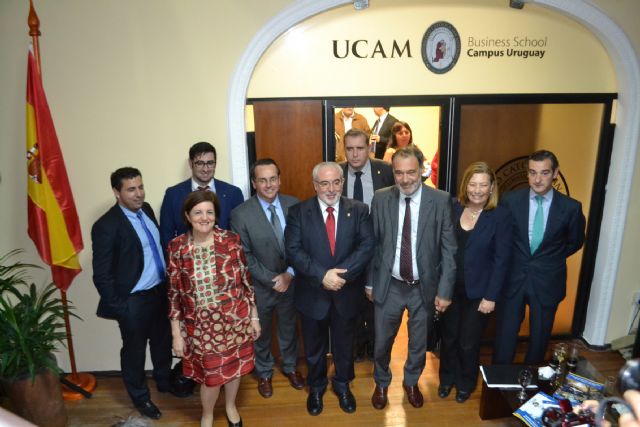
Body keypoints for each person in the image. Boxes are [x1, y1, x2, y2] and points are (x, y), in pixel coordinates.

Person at [368, 146, 457, 410]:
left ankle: (411, 382)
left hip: (424, 288)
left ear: (421, 170)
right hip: (390, 284)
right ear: (393, 173)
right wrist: (370, 282)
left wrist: (445, 291)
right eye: (399, 173)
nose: (405, 179)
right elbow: (372, 244)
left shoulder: (440, 200)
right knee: (382, 342)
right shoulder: (381, 198)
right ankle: (381, 383)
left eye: (411, 172)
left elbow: (449, 249)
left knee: (418, 343)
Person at [285, 162, 375, 416]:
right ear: (315, 185)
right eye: (324, 183)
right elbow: (293, 250)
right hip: (312, 293)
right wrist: (322, 275)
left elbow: (367, 246)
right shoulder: (298, 212)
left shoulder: (359, 209)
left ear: (342, 183)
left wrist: (339, 276)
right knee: (314, 347)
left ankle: (343, 385)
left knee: (345, 345)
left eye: (336, 182)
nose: (331, 188)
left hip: (346, 293)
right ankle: (316, 387)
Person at [167, 190, 259, 427]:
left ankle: (230, 406)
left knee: (234, 369)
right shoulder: (177, 247)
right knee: (211, 377)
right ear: (187, 216)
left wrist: (254, 317)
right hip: (201, 327)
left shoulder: (231, 240)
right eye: (198, 212)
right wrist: (177, 334)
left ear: (216, 215)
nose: (204, 217)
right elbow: (174, 294)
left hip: (235, 320)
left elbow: (246, 282)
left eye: (209, 212)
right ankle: (207, 414)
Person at [91, 167, 172, 420]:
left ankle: (164, 381)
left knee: (163, 342)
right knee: (134, 352)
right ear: (117, 192)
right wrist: (121, 308)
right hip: (134, 301)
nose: (139, 194)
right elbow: (101, 274)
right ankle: (140, 398)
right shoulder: (106, 225)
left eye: (140, 187)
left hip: (160, 292)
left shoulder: (146, 210)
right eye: (131, 189)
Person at [493, 150, 586, 364]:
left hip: (547, 281)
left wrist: (549, 258)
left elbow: (575, 242)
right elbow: (502, 238)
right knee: (505, 336)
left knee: (540, 339)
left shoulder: (571, 208)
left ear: (555, 173)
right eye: (532, 173)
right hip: (513, 279)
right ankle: (498, 379)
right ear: (527, 173)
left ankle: (531, 377)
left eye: (544, 173)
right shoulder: (510, 201)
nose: (537, 179)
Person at [438, 162, 512, 403]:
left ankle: (465, 383)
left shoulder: (500, 216)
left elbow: (502, 261)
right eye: (473, 184)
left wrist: (491, 297)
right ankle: (446, 379)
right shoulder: (453, 208)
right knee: (449, 337)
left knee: (468, 342)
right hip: (450, 288)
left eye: (483, 185)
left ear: (491, 188)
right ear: (465, 185)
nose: (477, 190)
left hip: (479, 293)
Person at [230, 158, 304, 399]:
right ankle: (263, 372)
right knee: (260, 333)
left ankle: (290, 367)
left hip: (291, 282)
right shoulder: (240, 214)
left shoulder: (295, 205)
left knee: (289, 329)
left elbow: (304, 244)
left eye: (273, 179)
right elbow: (244, 255)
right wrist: (273, 279)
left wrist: (289, 275)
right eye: (262, 180)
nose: (269, 184)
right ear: (254, 183)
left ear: (279, 180)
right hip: (260, 287)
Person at [340, 128, 394, 361]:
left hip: (379, 248)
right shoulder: (337, 173)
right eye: (350, 149)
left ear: (369, 148)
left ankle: (374, 345)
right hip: (347, 250)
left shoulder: (386, 171)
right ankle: (357, 344)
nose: (355, 154)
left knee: (375, 301)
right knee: (351, 301)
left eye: (360, 148)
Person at [160, 141, 244, 249]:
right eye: (200, 163)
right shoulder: (173, 195)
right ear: (190, 163)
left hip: (226, 256)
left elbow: (240, 234)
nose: (205, 169)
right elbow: (166, 236)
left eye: (210, 163)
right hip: (186, 257)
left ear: (215, 164)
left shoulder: (233, 193)